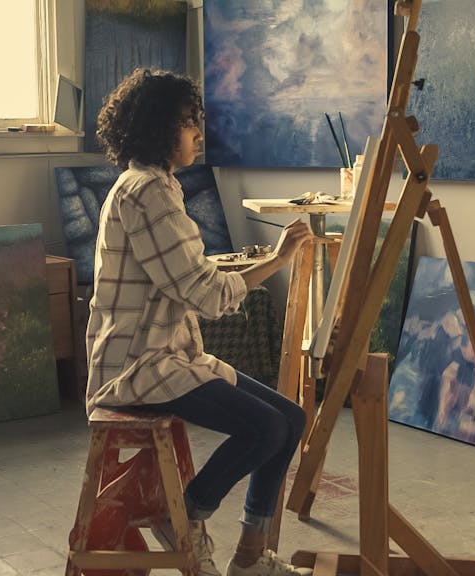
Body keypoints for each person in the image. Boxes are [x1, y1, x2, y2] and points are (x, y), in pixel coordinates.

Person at [86, 67, 315, 576]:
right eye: (188, 122)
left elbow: (188, 274)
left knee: (291, 420)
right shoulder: (147, 192)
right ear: (161, 128)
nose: (198, 133)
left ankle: (250, 557)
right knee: (267, 427)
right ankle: (184, 515)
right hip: (138, 366)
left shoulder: (153, 185)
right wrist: (276, 261)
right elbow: (203, 294)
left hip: (168, 355)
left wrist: (244, 266)